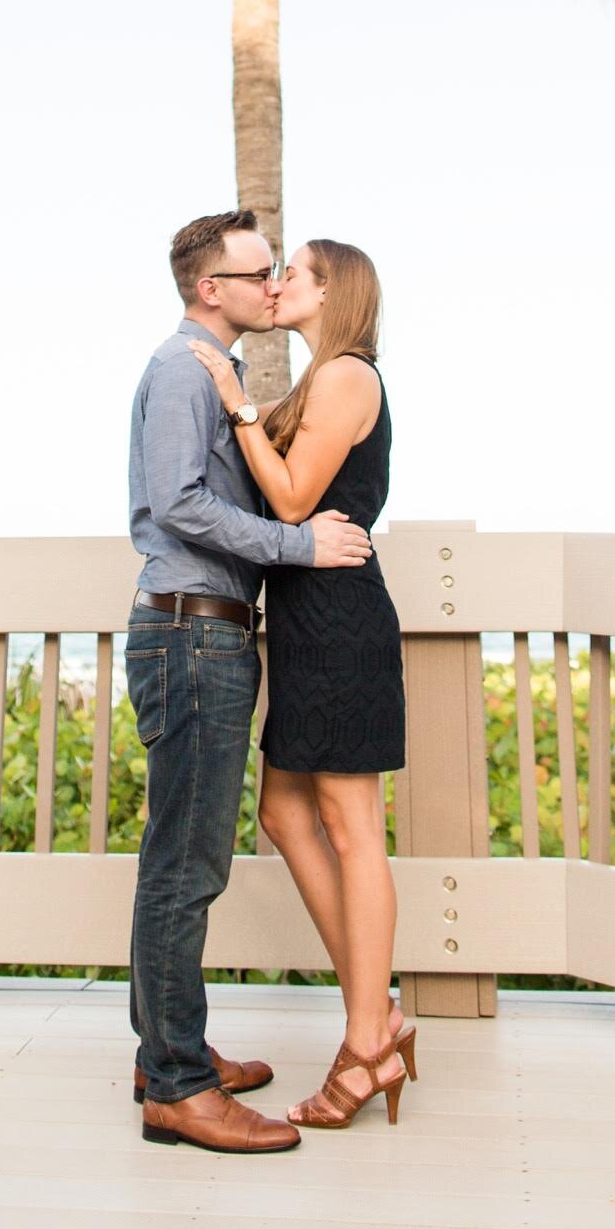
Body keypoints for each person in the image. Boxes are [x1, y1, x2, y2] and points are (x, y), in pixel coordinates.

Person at [127, 208, 374, 1156]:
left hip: (211, 634)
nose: (271, 285)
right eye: (256, 272)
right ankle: (179, 1087)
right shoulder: (181, 370)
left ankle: (168, 1053)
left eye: (279, 271)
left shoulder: (211, 373)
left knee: (185, 860)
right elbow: (179, 505)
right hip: (191, 636)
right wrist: (298, 546)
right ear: (209, 288)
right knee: (186, 867)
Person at [187, 237, 415, 1131]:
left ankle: (367, 1043)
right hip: (307, 621)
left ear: (334, 291)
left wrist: (240, 404)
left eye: (294, 275)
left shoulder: (348, 375)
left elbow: (289, 502)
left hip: (342, 618)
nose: (277, 285)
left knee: (353, 828)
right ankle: (380, 1014)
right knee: (285, 815)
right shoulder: (320, 378)